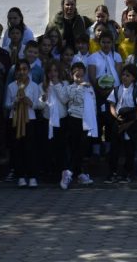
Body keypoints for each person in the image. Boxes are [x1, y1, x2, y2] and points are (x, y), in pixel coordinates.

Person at [59, 61, 98, 189]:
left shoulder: (89, 87)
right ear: (72, 75)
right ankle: (70, 172)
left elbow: (93, 105)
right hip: (73, 120)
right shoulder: (69, 87)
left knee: (82, 147)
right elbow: (64, 99)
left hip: (85, 121)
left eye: (81, 74)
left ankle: (77, 172)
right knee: (73, 146)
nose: (79, 77)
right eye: (76, 74)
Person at [4, 61, 43, 188]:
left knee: (30, 148)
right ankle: (20, 176)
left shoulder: (34, 86)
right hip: (15, 119)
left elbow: (38, 104)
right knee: (17, 148)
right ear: (16, 72)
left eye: (25, 69)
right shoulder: (11, 86)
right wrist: (15, 102)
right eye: (19, 70)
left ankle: (32, 176)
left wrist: (30, 102)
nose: (22, 72)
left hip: (29, 119)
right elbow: (6, 104)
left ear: (29, 71)